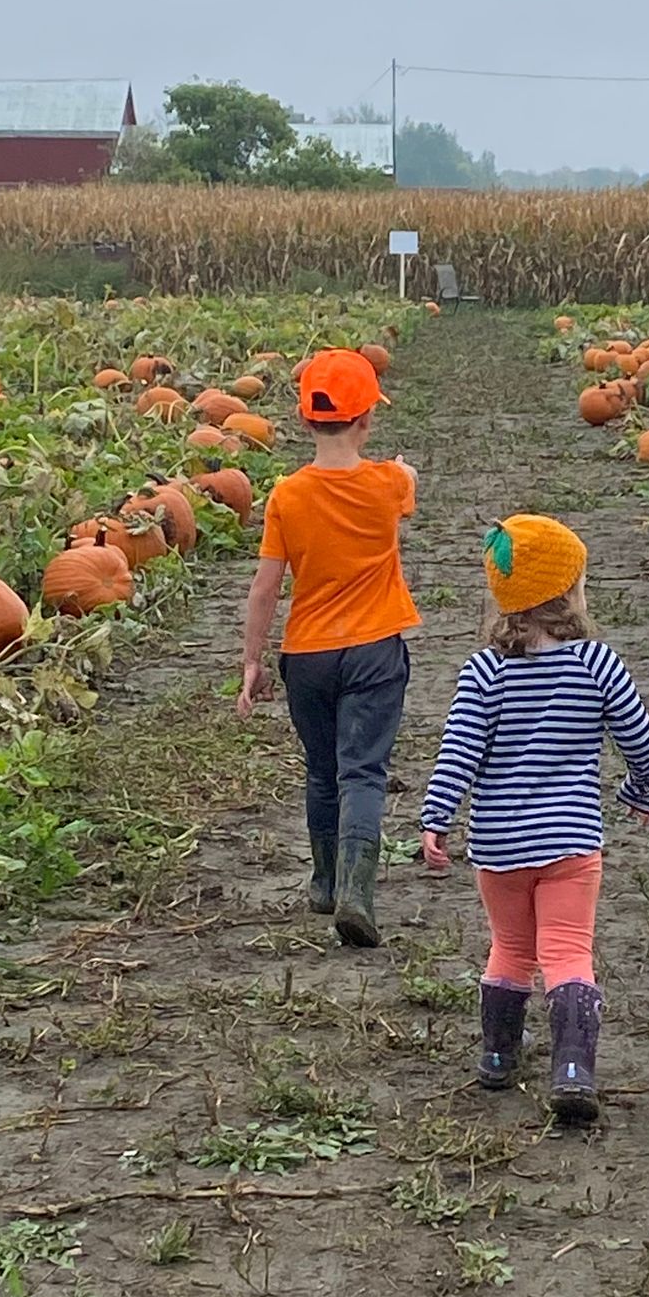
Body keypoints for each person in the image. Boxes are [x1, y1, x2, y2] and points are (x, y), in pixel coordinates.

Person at [420, 516, 649, 1124]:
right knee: (568, 950)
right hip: (571, 840)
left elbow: (459, 752)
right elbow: (639, 738)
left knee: (510, 948)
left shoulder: (485, 672)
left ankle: (499, 1056)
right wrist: (641, 787)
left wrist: (437, 817)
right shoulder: (597, 664)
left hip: (498, 844)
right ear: (570, 590)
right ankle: (573, 1069)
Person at [237, 348, 417, 947]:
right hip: (374, 648)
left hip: (306, 654)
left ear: (304, 419)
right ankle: (356, 893)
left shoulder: (286, 496)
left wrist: (252, 661)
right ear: (366, 419)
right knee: (362, 770)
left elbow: (266, 586)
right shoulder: (389, 484)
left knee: (321, 770)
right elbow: (405, 490)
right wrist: (402, 473)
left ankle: (321, 880)